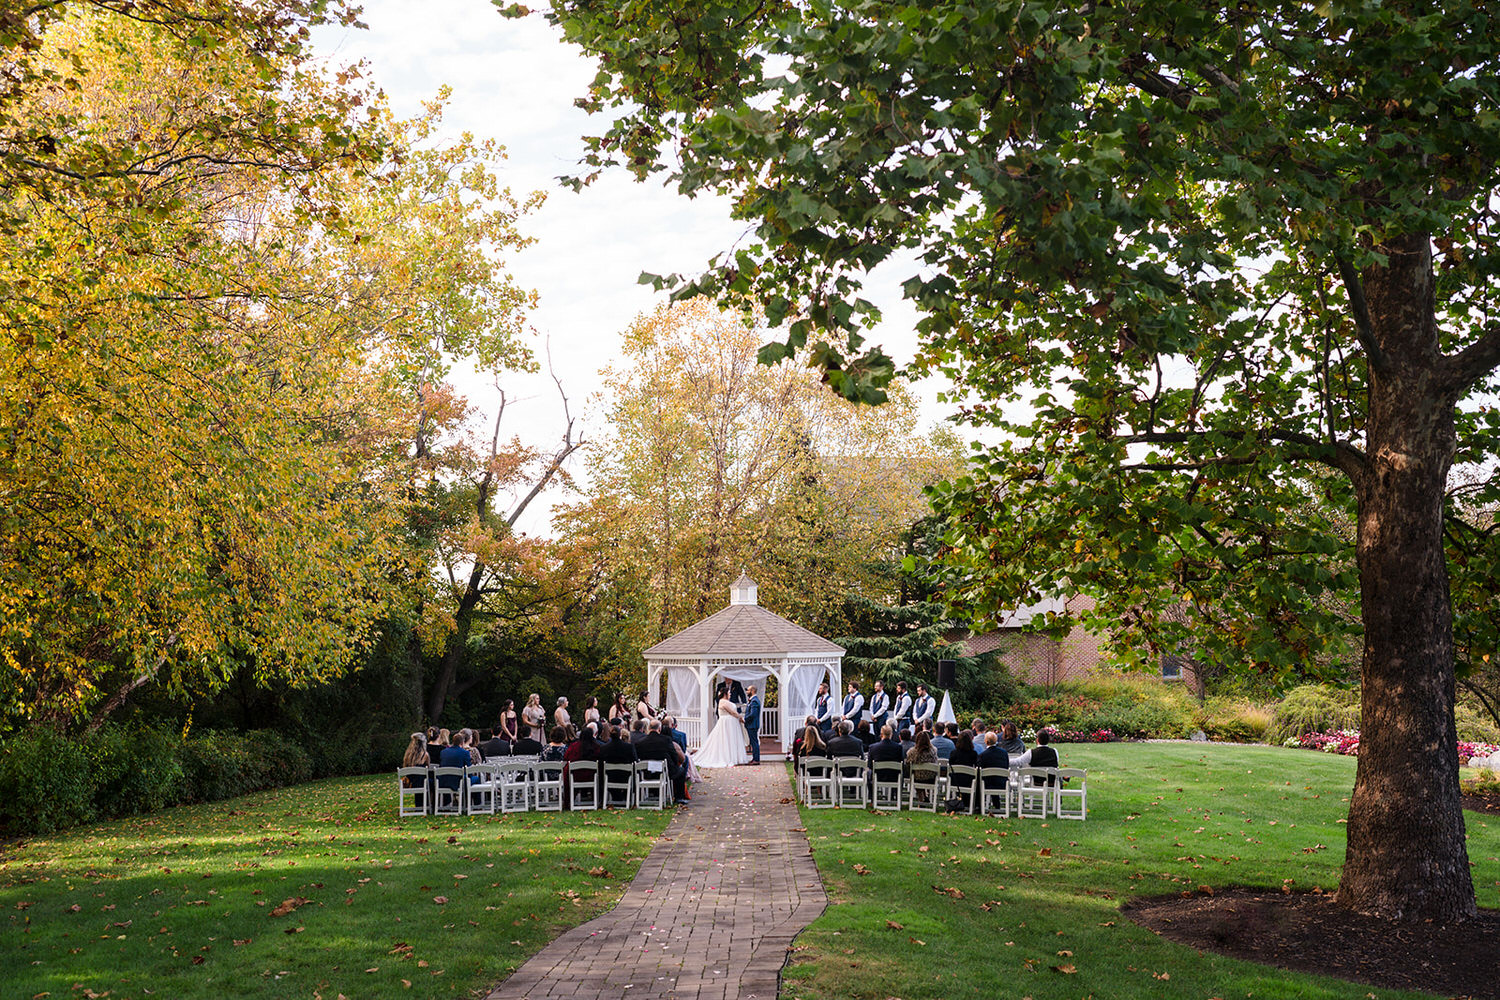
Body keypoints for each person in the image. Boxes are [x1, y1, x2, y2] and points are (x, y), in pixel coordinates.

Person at [695, 683, 749, 768]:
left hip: (731, 723)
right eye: (729, 693)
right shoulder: (722, 702)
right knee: (726, 740)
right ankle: (728, 758)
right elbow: (732, 712)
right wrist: (740, 717)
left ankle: (734, 758)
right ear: (725, 694)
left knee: (732, 740)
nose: (730, 694)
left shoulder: (727, 701)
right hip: (726, 723)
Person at [637, 719, 689, 804]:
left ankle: (652, 793)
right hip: (665, 771)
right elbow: (674, 755)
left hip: (646, 773)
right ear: (659, 729)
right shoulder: (666, 740)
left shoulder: (640, 742)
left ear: (649, 728)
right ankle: (679, 797)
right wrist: (675, 764)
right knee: (681, 771)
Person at [744, 683, 762, 765]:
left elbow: (753, 714)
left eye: (748, 690)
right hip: (751, 725)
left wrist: (745, 719)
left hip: (752, 725)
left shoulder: (754, 701)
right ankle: (754, 758)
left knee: (754, 742)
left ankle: (756, 759)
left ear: (752, 691)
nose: (747, 692)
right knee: (753, 741)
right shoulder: (752, 700)